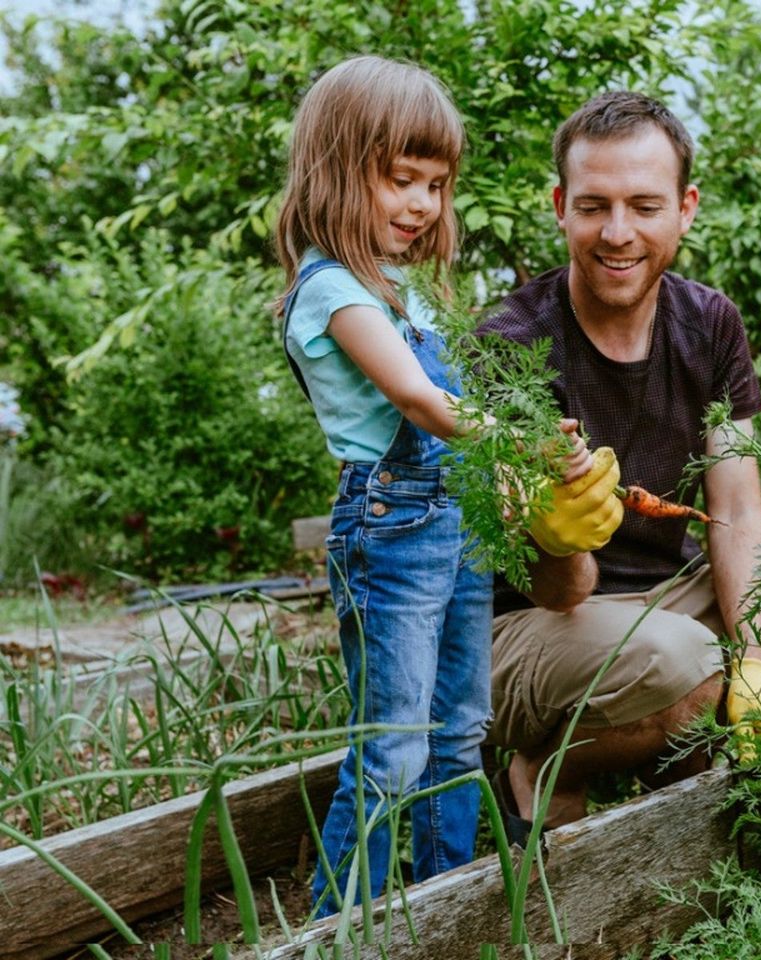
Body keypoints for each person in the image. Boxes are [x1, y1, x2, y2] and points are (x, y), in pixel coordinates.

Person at [272, 55, 602, 915]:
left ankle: (448, 902)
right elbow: (420, 401)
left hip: (449, 520)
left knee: (461, 735)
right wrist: (525, 438)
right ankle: (336, 927)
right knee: (392, 748)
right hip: (390, 530)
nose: (421, 205)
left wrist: (517, 456)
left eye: (436, 185)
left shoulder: (404, 290)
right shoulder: (331, 289)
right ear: (339, 171)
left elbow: (454, 413)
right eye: (401, 180)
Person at [481, 92, 761, 831]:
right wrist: (559, 536)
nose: (617, 232)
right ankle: (547, 761)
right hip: (537, 624)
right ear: (559, 206)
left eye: (643, 205)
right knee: (689, 670)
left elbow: (734, 508)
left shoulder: (709, 323)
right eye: (593, 205)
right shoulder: (510, 345)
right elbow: (550, 589)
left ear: (685, 207)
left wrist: (759, 665)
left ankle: (678, 729)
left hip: (673, 596)